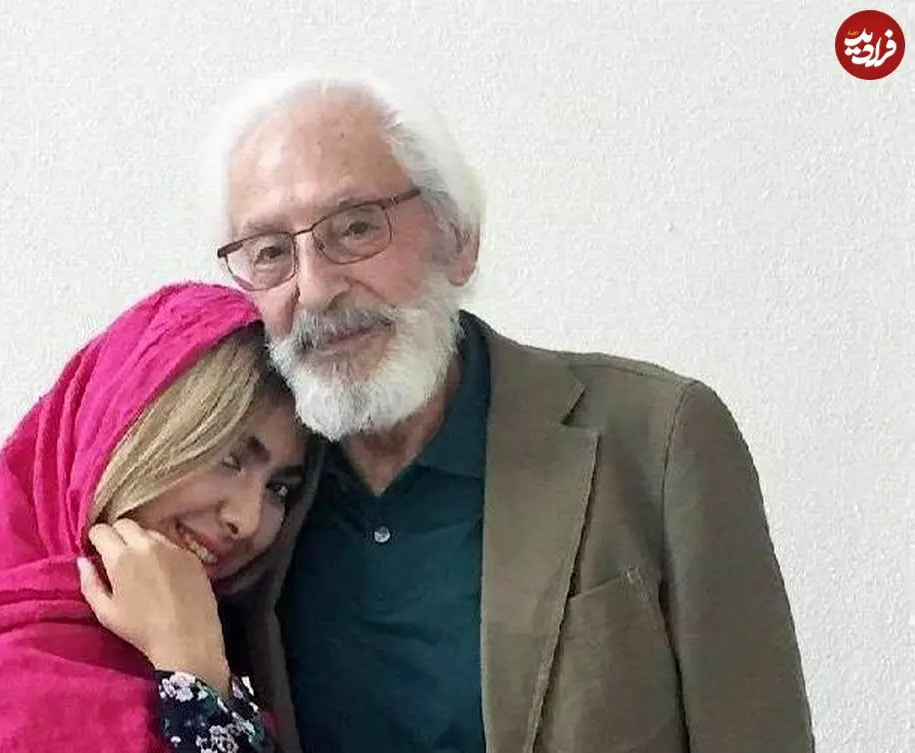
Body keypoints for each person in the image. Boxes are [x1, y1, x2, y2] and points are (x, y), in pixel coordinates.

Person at [171, 71, 814, 752]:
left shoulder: (659, 440)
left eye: (355, 227)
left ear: (459, 237)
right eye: (271, 252)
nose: (316, 288)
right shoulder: (245, 497)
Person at [0, 282, 308, 753]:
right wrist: (196, 679)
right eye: (229, 458)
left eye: (279, 489)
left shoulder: (225, 638)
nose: (246, 518)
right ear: (126, 429)